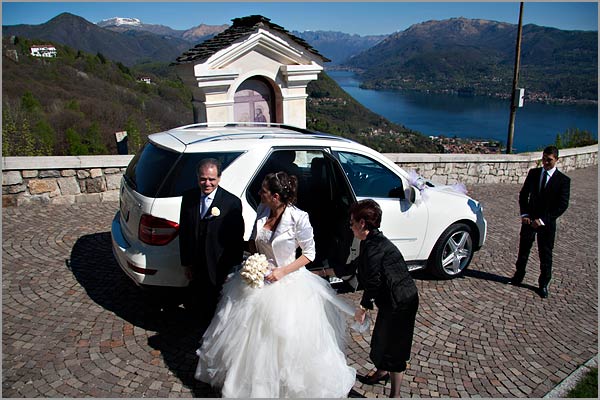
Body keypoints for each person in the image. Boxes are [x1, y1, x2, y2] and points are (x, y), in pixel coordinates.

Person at [194, 171, 356, 398]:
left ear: (276, 196)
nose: (259, 193)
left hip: (287, 282)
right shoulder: (262, 210)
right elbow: (254, 241)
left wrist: (282, 271)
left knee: (284, 337)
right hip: (257, 278)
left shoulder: (299, 218)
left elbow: (309, 254)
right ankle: (245, 384)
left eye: (263, 191)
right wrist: (252, 261)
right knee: (246, 336)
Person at [329, 199, 419, 398]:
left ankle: (394, 395)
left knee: (396, 348)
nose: (350, 226)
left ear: (362, 223)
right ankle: (381, 372)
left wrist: (363, 307)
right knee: (380, 338)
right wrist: (325, 272)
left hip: (401, 302)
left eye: (352, 222)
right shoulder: (370, 241)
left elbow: (374, 281)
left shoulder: (374, 246)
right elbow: (354, 266)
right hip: (390, 301)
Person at [179, 158, 244, 322]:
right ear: (197, 177)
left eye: (211, 179)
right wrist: (186, 262)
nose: (207, 183)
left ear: (219, 178)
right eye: (203, 179)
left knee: (217, 303)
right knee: (197, 298)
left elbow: (236, 239)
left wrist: (231, 270)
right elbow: (184, 231)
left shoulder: (232, 202)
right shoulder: (188, 197)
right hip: (196, 261)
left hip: (218, 263)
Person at [508, 145, 571, 298]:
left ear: (556, 160)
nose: (545, 162)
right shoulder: (534, 173)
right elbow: (524, 195)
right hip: (529, 220)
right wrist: (525, 214)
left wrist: (542, 220)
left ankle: (543, 284)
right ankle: (518, 276)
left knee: (545, 254)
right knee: (523, 250)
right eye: (543, 159)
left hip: (546, 224)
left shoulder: (563, 181)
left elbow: (562, 205)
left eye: (549, 160)